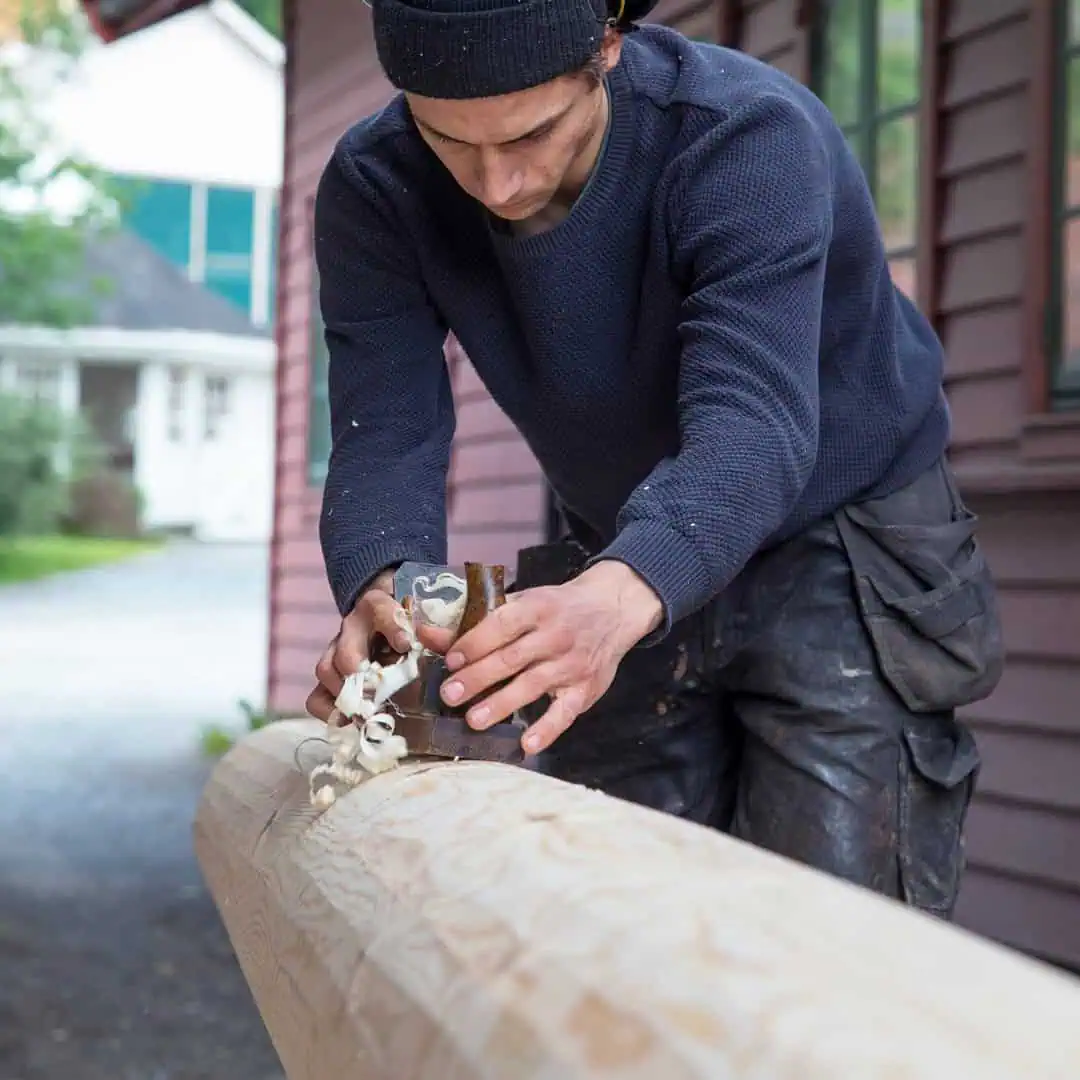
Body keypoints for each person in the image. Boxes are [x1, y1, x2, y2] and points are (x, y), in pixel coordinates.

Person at [306, 0, 1005, 918]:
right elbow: (383, 428)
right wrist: (385, 584)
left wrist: (619, 593)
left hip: (846, 537)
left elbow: (753, 422)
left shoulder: (746, 138)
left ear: (606, 45)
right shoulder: (376, 183)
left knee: (835, 935)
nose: (498, 187)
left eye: (533, 133)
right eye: (449, 141)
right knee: (615, 913)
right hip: (616, 532)